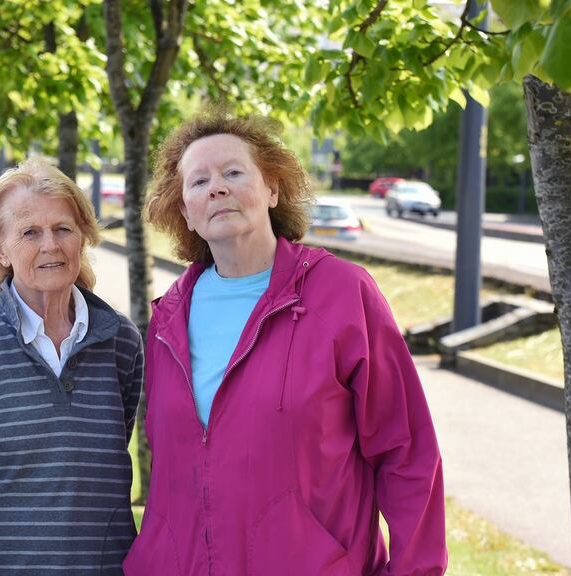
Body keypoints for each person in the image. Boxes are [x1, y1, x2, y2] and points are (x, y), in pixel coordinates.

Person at [123, 110, 447, 575]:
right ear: (186, 214)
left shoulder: (342, 294)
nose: (217, 188)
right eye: (199, 181)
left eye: (233, 172)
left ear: (272, 189)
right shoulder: (167, 320)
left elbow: (407, 452)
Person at [0, 157, 143, 574]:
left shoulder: (121, 341)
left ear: (83, 237)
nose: (50, 246)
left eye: (63, 229)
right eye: (30, 233)